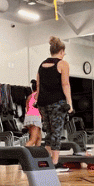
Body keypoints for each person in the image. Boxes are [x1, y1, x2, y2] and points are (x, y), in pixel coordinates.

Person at [36, 37, 74, 172]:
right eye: (64, 52)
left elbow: (38, 86)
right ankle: (55, 162)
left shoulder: (41, 65)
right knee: (57, 132)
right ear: (61, 51)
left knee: (49, 132)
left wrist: (37, 101)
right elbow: (65, 84)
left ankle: (44, 160)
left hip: (42, 103)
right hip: (56, 103)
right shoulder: (63, 64)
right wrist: (70, 103)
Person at [24, 80, 42, 147]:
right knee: (33, 139)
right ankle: (22, 153)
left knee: (39, 137)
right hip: (35, 117)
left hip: (29, 117)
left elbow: (27, 108)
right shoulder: (38, 95)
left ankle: (37, 154)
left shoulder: (29, 96)